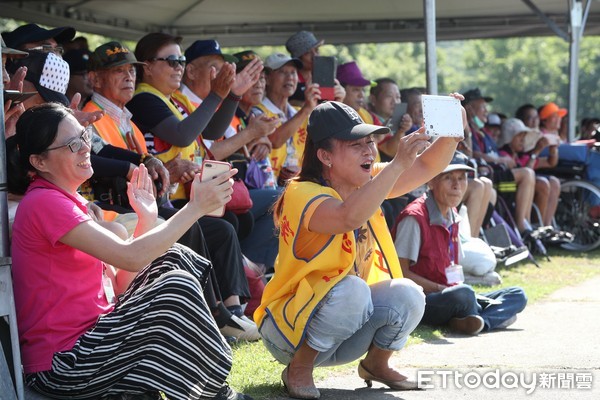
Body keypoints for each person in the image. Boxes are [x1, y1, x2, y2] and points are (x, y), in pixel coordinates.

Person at [7, 102, 253, 400]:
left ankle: (210, 388)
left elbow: (121, 283)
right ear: (39, 162)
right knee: (175, 286)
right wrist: (195, 207)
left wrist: (146, 219)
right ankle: (217, 392)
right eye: (73, 144)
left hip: (92, 343)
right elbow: (131, 257)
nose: (85, 147)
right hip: (63, 365)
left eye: (84, 136)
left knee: (173, 257)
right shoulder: (45, 203)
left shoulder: (67, 200)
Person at [256, 99, 464, 398]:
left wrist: (451, 132)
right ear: (325, 156)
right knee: (352, 289)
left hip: (340, 323)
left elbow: (427, 166)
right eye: (356, 144)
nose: (369, 150)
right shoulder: (301, 190)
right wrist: (397, 165)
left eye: (370, 142)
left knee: (408, 293)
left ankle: (376, 364)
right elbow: (346, 217)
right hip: (287, 331)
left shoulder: (366, 179)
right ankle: (298, 369)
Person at [86, 40, 259, 341]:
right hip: (114, 214)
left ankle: (234, 307)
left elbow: (151, 175)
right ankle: (211, 312)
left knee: (221, 227)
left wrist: (171, 176)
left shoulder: (127, 119)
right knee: (192, 224)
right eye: (117, 71)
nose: (128, 76)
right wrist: (223, 93)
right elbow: (101, 168)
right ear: (95, 79)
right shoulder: (91, 116)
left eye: (130, 70)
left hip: (144, 205)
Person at [394, 151, 528, 335]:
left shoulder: (453, 214)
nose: (457, 185)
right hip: (423, 299)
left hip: (451, 294)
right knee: (464, 295)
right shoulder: (414, 217)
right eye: (448, 178)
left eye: (462, 178)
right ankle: (482, 316)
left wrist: (457, 289)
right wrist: (442, 289)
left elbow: (454, 268)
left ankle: (477, 321)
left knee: (518, 294)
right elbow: (401, 273)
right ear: (431, 181)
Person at [464, 88, 536, 234]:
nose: (486, 111)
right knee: (526, 174)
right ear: (469, 109)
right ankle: (521, 225)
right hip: (487, 174)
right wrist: (500, 159)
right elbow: (473, 155)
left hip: (496, 174)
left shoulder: (484, 132)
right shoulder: (468, 131)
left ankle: (526, 222)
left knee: (530, 174)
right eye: (482, 107)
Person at [253, 52, 321, 185]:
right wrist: (306, 109)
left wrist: (338, 101)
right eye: (282, 72)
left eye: (293, 72)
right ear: (267, 78)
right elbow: (275, 141)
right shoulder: (257, 111)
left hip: (299, 187)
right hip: (267, 188)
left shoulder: (299, 112)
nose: (290, 77)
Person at [285, 30, 324, 105]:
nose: (315, 56)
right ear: (298, 58)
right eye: (307, 53)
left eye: (317, 50)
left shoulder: (324, 77)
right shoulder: (290, 80)